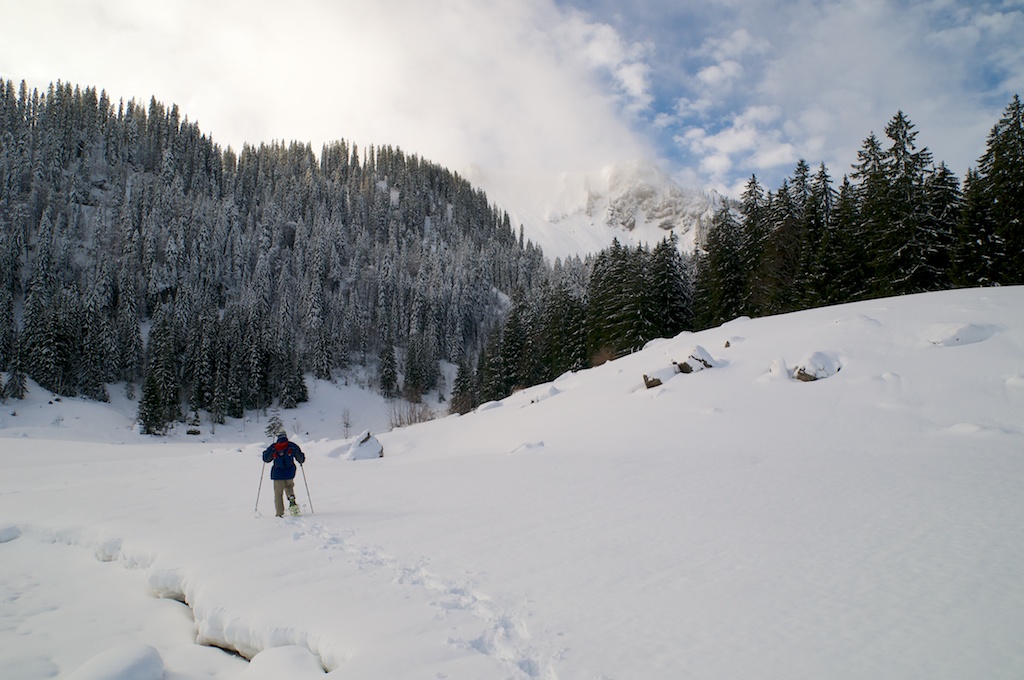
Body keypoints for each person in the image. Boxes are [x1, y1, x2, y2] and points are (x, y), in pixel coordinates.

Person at [262, 430, 306, 517]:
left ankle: (279, 513)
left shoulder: (274, 447)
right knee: (289, 487)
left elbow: (266, 459)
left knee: (278, 494)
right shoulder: (292, 446)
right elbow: (300, 458)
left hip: (277, 474)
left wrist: (264, 454)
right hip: (289, 473)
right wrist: (301, 459)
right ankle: (291, 499)